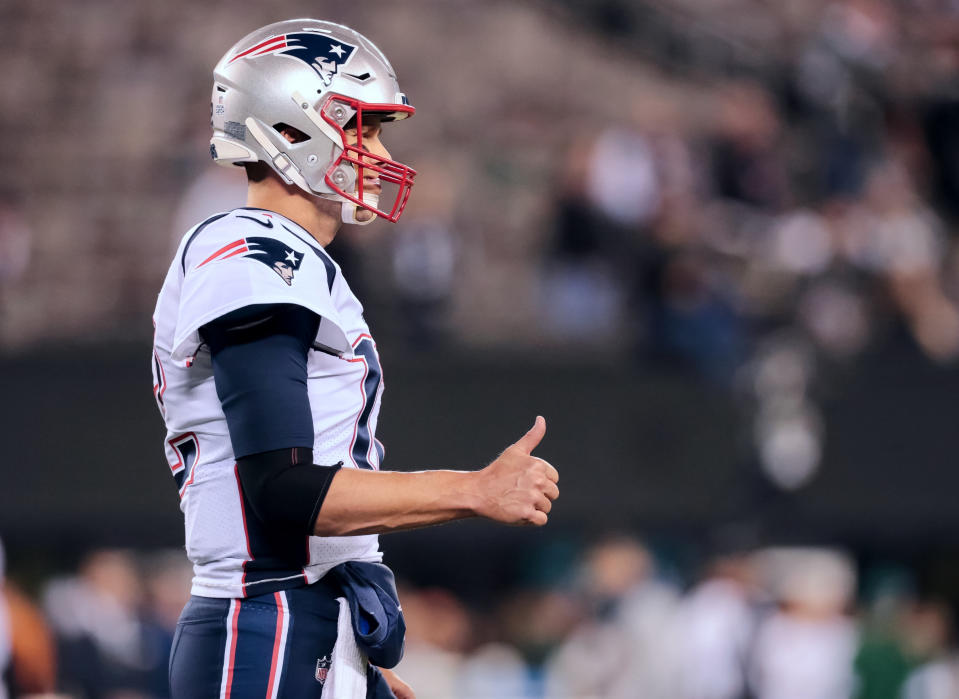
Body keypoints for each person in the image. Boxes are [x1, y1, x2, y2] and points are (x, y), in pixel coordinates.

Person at [151, 19, 559, 699]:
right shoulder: (257, 254)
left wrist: (347, 657)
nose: (378, 151)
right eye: (362, 128)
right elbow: (282, 493)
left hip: (298, 621)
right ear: (289, 131)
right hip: (264, 622)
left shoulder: (290, 256)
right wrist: (473, 490)